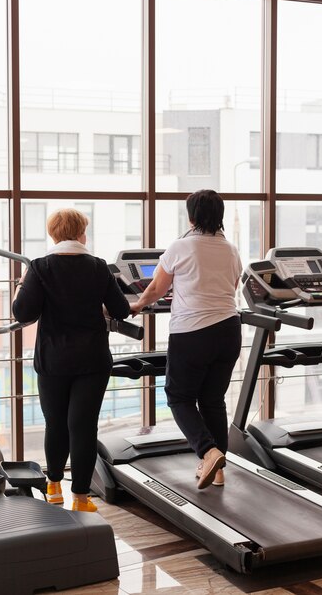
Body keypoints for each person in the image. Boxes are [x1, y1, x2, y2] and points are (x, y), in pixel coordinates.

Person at [12, 208, 130, 511]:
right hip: (92, 360)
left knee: (56, 423)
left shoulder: (40, 267)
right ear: (81, 234)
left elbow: (24, 313)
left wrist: (19, 290)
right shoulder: (98, 267)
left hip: (53, 360)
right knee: (84, 426)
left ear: (53, 234)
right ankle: (80, 497)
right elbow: (120, 310)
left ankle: (53, 487)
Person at [130, 189, 242, 489]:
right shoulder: (231, 249)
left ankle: (208, 452)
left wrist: (137, 305)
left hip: (192, 332)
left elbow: (155, 289)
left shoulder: (180, 247)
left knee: (179, 398)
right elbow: (231, 286)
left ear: (191, 216)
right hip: (229, 329)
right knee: (213, 400)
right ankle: (217, 471)